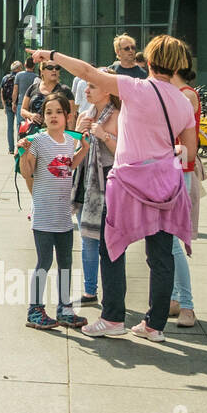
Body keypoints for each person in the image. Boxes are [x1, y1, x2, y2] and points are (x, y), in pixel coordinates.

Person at [29, 37, 197, 341]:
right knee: (160, 256)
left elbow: (88, 72)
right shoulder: (183, 102)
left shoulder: (136, 87)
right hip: (165, 185)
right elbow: (190, 153)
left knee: (112, 248)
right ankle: (154, 324)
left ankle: (113, 318)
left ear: (150, 59)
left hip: (129, 181)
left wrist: (51, 54)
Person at [19, 92, 89, 330]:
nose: (53, 116)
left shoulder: (70, 142)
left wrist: (84, 150)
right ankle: (35, 309)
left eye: (58, 112)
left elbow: (68, 166)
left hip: (63, 216)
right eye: (48, 112)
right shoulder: (38, 141)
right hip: (44, 216)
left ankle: (64, 308)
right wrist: (24, 152)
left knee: (66, 263)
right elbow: (27, 172)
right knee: (44, 262)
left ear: (68, 116)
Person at [75, 74, 120, 311]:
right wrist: (78, 135)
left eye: (92, 86)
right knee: (86, 238)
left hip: (108, 183)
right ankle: (90, 289)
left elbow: (123, 150)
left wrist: (104, 135)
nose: (86, 90)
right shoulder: (85, 115)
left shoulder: (118, 116)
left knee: (107, 241)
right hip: (85, 182)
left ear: (107, 91)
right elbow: (73, 151)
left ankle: (111, 291)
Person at [169, 55, 203, 329]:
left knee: (171, 241)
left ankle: (187, 305)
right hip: (174, 168)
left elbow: (183, 138)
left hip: (181, 169)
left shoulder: (185, 95)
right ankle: (175, 298)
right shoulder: (179, 93)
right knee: (165, 241)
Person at [21, 58, 75, 129]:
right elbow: (23, 110)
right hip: (33, 134)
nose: (54, 70)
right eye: (50, 68)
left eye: (57, 68)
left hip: (57, 134)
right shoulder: (32, 88)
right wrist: (31, 115)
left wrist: (72, 137)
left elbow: (71, 117)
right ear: (42, 71)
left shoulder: (65, 91)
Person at [0, 60, 22, 153]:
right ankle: (19, 146)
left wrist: (4, 105)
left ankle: (11, 148)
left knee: (10, 127)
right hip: (18, 104)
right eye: (20, 67)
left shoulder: (5, 78)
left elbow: (2, 92)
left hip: (8, 104)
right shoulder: (20, 77)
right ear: (18, 69)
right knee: (19, 126)